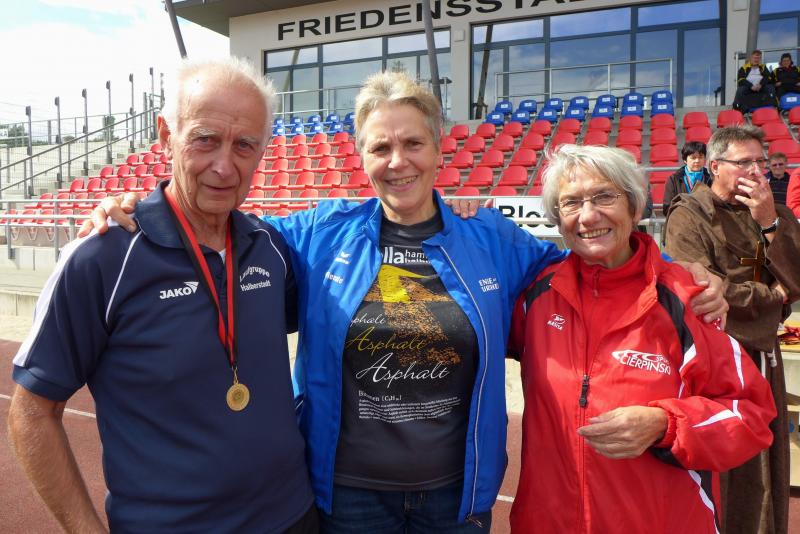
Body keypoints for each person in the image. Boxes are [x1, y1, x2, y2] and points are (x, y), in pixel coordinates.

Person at [83, 71, 727, 532]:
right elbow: (219, 229)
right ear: (361, 156)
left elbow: (594, 261)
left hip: (456, 501)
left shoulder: (492, 240)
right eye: (381, 147)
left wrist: (680, 271)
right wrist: (140, 205)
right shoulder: (316, 234)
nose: (398, 161)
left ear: (440, 148)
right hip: (348, 500)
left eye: (413, 143)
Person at [7, 58, 317, 533]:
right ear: (166, 135)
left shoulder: (269, 246)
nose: (224, 166)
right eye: (205, 139)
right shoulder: (101, 258)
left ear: (261, 152)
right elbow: (32, 411)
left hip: (293, 517)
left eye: (244, 145)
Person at [507, 144, 776, 533]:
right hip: (547, 522)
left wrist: (666, 425)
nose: (588, 216)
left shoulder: (687, 298)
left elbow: (751, 414)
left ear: (635, 208)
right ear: (558, 219)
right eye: (571, 203)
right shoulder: (535, 296)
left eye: (604, 196)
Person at [665, 125, 800, 534]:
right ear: (715, 166)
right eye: (744, 163)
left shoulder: (776, 213)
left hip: (765, 353)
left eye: (761, 162)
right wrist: (773, 295)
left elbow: (798, 279)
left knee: (767, 464)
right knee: (726, 470)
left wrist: (769, 223)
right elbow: (703, 289)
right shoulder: (689, 214)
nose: (757, 172)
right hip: (720, 360)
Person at [662, 141, 712, 216]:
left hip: (706, 221)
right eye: (693, 158)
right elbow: (667, 208)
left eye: (700, 157)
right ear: (685, 160)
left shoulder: (711, 178)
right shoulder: (674, 179)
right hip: (682, 220)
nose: (697, 161)